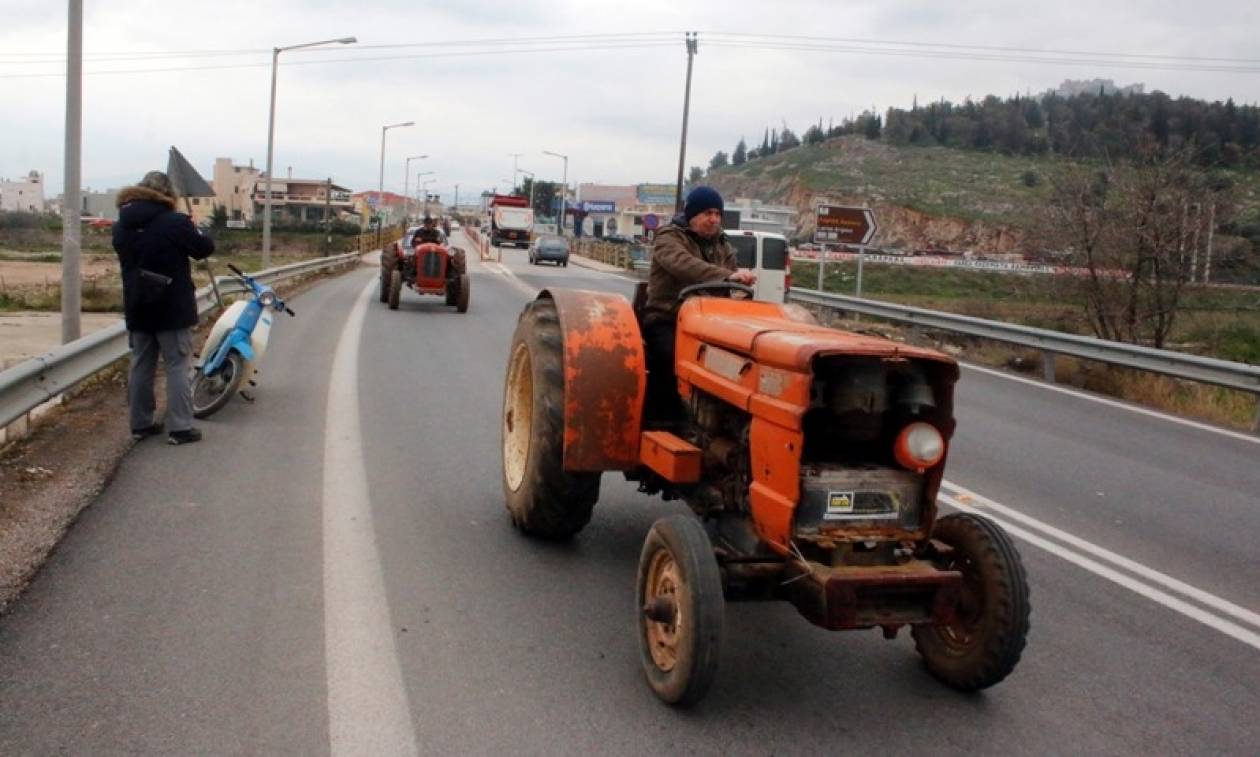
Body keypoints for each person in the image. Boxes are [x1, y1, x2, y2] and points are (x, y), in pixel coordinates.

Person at [112, 171, 215, 445]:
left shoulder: (121, 225)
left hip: (137, 304)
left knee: (141, 366)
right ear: (168, 194)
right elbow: (203, 249)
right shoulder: (174, 222)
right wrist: (196, 229)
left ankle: (141, 424)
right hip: (171, 305)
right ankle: (180, 427)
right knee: (177, 365)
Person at [641, 186, 756, 422]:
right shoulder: (668, 237)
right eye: (707, 213)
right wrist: (726, 277)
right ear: (692, 214)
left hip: (711, 323)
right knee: (670, 358)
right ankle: (661, 421)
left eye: (717, 214)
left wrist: (738, 285)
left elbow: (730, 277)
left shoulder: (722, 245)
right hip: (669, 318)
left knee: (744, 362)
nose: (714, 219)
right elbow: (684, 264)